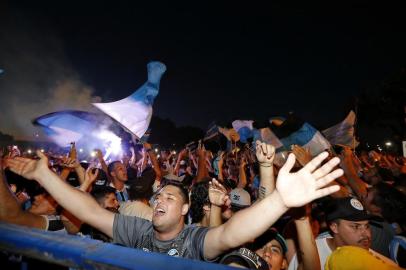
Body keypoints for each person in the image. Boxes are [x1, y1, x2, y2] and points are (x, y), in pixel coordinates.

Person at [5, 150, 343, 261]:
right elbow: (90, 211)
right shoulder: (137, 230)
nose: (159, 200)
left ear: (184, 211)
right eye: (158, 196)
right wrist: (45, 175)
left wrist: (282, 200)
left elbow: (229, 235)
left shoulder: (194, 240)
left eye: (170, 197)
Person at [287, 197, 398, 269]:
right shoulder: (310, 252)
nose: (366, 234)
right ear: (334, 227)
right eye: (356, 226)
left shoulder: (370, 258)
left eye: (367, 226)